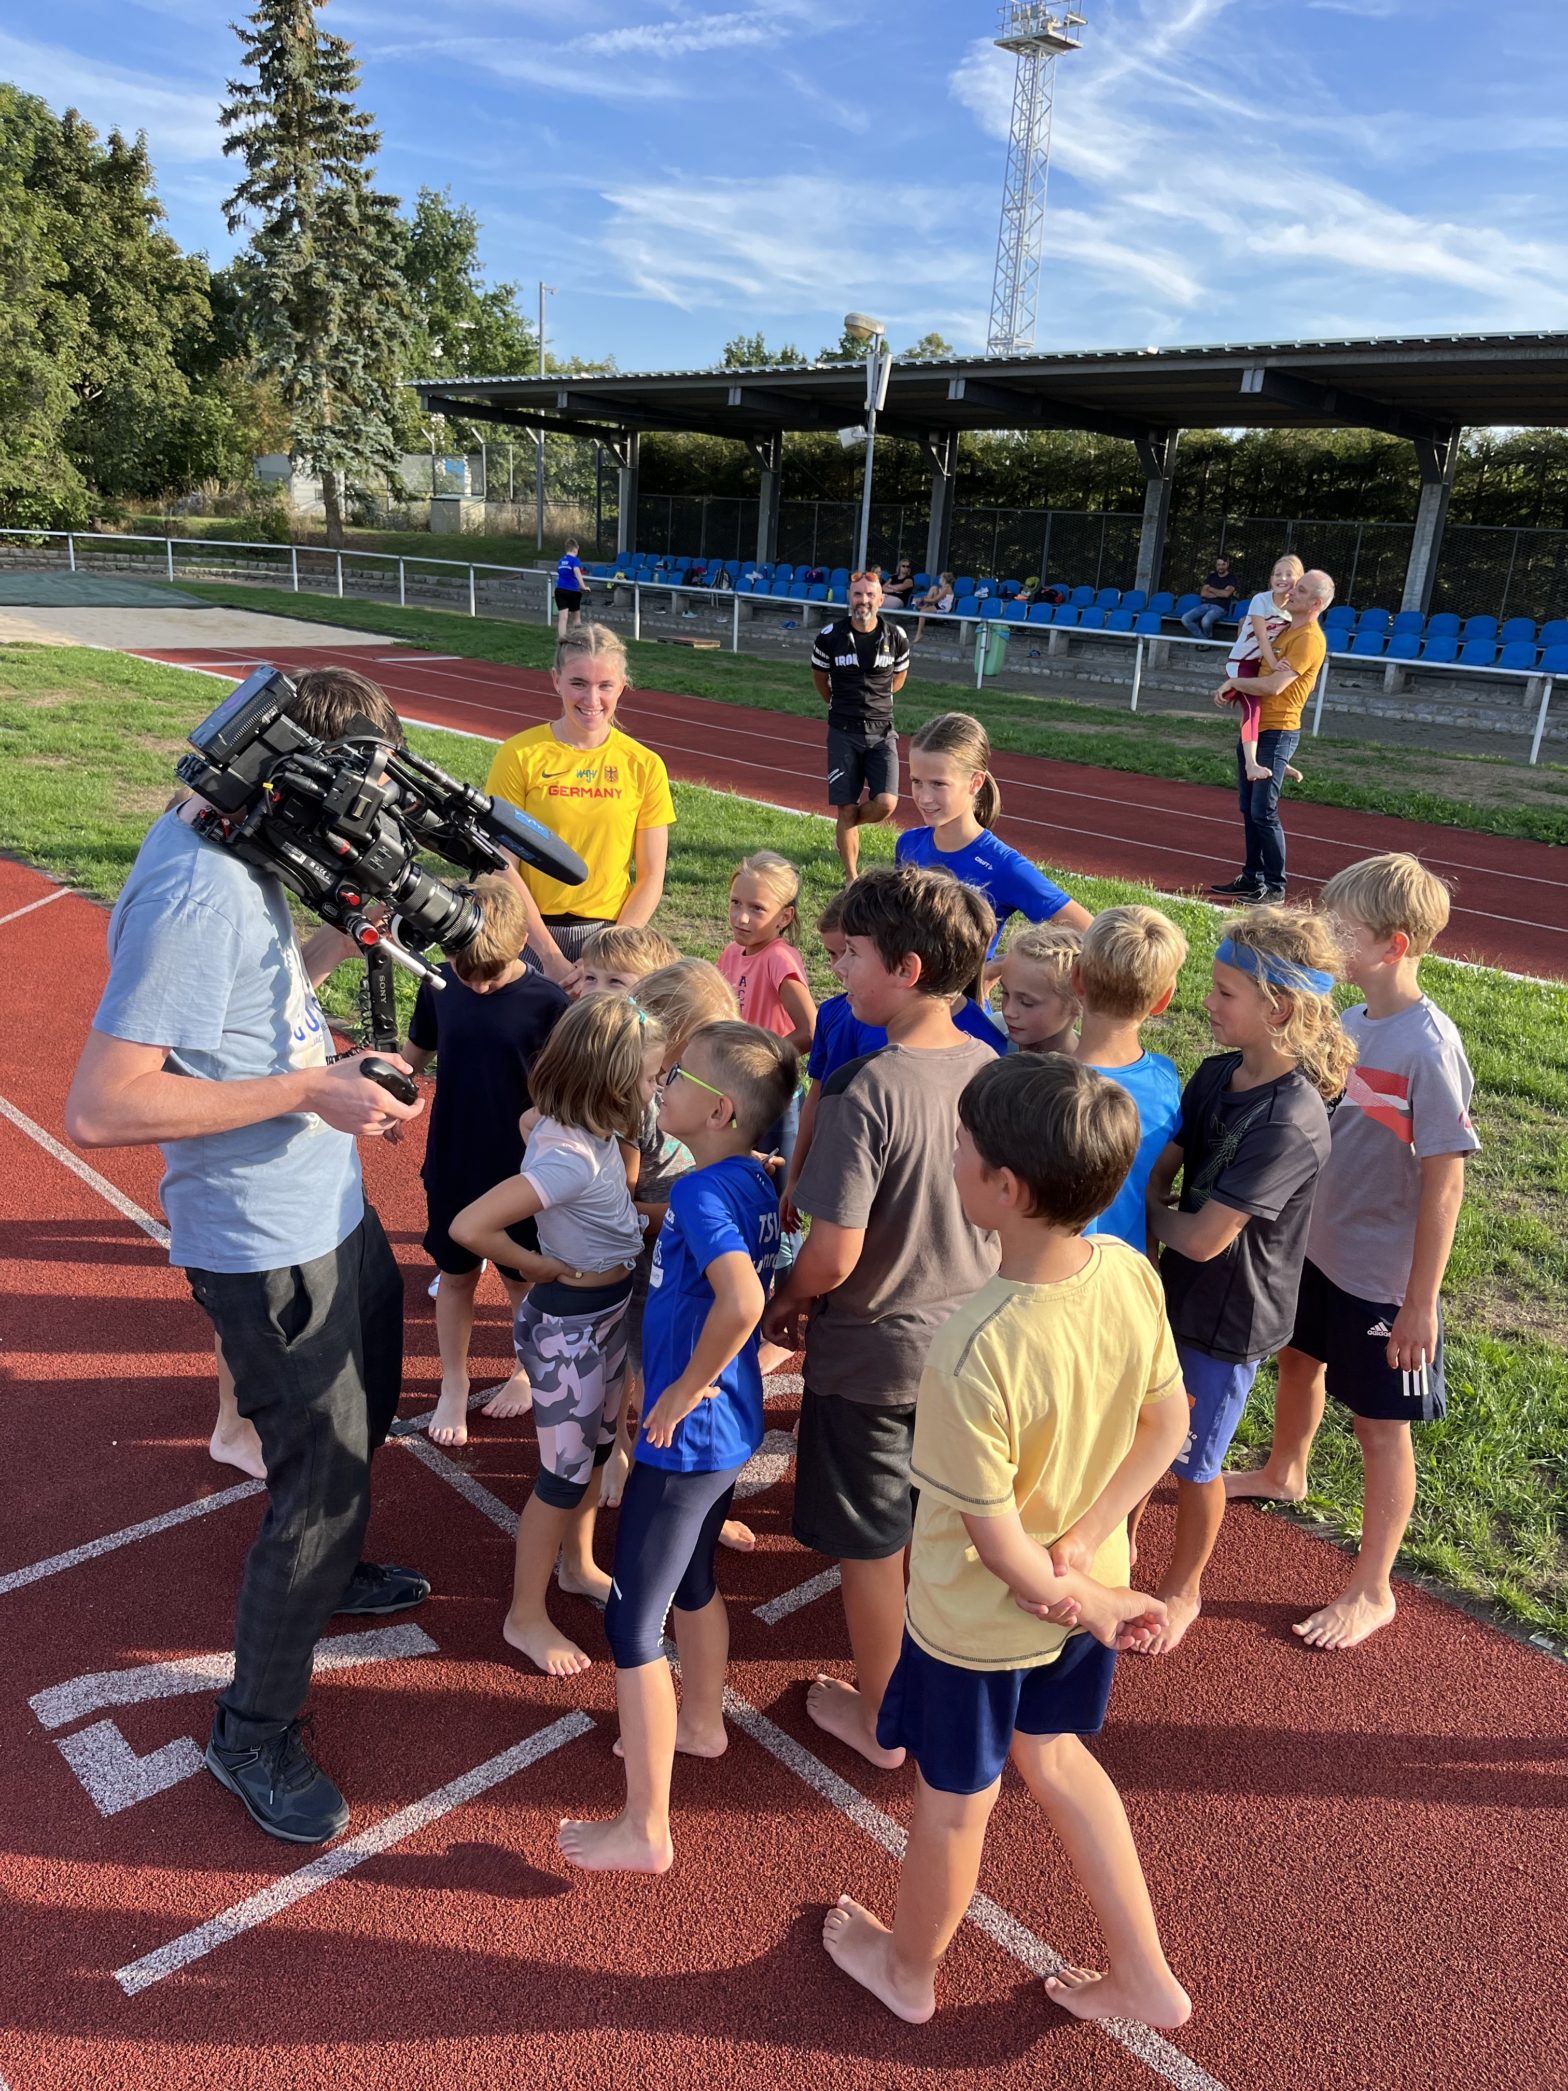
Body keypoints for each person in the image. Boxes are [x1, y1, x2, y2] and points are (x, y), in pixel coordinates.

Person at [64, 665, 428, 1846]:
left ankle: (346, 1563)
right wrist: (314, 1089)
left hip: (323, 1206)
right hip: (264, 1241)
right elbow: (104, 1108)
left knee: (367, 1410)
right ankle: (253, 1729)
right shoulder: (200, 890)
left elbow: (251, 1004)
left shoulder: (240, 851)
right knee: (314, 1481)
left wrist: (335, 948)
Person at [822, 1053, 1191, 2031]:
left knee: (952, 1806)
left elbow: (997, 1552)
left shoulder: (974, 1345)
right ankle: (1142, 1973)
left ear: (1003, 1190)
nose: (951, 1158)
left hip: (977, 1631)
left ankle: (905, 1971)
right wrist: (1091, 1549)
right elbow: (1167, 1429)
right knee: (1060, 1760)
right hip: (1078, 1595)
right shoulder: (1126, 1272)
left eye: (961, 1149)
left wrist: (1079, 1586)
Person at [762, 865, 999, 1769]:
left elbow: (833, 1254)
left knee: (872, 1545)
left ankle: (881, 1717)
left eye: (851, 956)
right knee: (942, 1526)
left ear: (904, 967)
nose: (841, 975)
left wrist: (788, 1301)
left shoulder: (867, 1087)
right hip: (969, 1345)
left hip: (874, 1358)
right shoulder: (986, 1065)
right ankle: (945, 1674)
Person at [557, 1022, 798, 1875]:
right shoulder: (742, 1181)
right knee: (693, 1583)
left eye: (678, 1079)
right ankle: (701, 1721)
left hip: (688, 1435)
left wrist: (678, 1391)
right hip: (726, 1429)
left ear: (721, 1108)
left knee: (631, 1620)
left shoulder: (705, 1196)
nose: (662, 1085)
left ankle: (646, 1828)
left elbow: (737, 1304)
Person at [1228, 853, 1478, 1650]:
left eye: (1345, 929)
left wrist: (1419, 1301)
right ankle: (1284, 1470)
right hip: (1317, 1251)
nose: (1329, 937)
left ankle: (1374, 1588)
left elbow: (1444, 1186)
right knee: (1298, 1363)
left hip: (1380, 1277)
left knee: (1379, 1426)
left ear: (1394, 944)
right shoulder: (1352, 1020)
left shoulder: (1429, 1047)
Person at [1141, 906, 1354, 1653]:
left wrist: (1143, 1215)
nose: (1207, 1002)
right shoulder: (1213, 1074)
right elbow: (1168, 1162)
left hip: (1229, 1318)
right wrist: (1153, 1193)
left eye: (1224, 992)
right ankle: (1123, 1548)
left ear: (1279, 1010)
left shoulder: (1292, 1120)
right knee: (1139, 1435)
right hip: (1175, 1292)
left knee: (1194, 1463)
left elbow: (1201, 1237)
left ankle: (1183, 1588)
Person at [451, 994, 666, 1677]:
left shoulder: (577, 1129)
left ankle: (578, 1565)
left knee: (601, 1453)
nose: (659, 1088)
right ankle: (524, 1615)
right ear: (609, 1083)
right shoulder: (567, 1159)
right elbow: (469, 1227)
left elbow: (530, 1120)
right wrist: (534, 1261)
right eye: (653, 1077)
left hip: (601, 1318)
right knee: (561, 1476)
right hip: (569, 1329)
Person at [404, 875, 571, 1448]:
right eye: (463, 971)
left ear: (517, 946)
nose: (474, 986)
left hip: (524, 1172)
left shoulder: (548, 1003)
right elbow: (416, 1054)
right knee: (455, 1279)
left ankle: (522, 1370)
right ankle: (455, 1383)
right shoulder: (440, 984)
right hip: (453, 1158)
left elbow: (566, 1093)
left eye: (489, 975)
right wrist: (395, 1097)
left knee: (523, 1281)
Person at [485, 625, 676, 992]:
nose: (592, 698)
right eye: (578, 683)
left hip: (610, 939)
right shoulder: (520, 754)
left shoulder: (644, 764)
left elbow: (651, 876)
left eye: (605, 685)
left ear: (622, 685)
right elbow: (501, 864)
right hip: (529, 933)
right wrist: (550, 956)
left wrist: (605, 956)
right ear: (555, 680)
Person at [896, 714, 1092, 964]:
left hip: (966, 1003)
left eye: (938, 784)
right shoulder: (909, 844)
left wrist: (1002, 965)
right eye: (916, 781)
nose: (924, 797)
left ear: (975, 782)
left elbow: (1092, 934)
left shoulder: (1002, 865)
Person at [1209, 569, 1334, 906]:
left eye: (1302, 590)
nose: (1292, 591)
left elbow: (1273, 686)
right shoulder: (1285, 631)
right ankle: (1251, 878)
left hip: (1278, 730)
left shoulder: (1308, 638)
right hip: (1260, 727)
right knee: (1249, 810)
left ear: (1317, 603)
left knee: (1263, 811)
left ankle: (1275, 887)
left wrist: (1234, 684)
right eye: (1295, 586)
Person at [1073, 906, 1188, 1256]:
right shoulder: (1166, 1080)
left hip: (1053, 1277)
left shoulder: (1035, 1083)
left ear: (1076, 977)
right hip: (1130, 1269)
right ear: (1164, 999)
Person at [810, 571, 910, 880]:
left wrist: (876, 703)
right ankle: (852, 877)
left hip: (882, 732)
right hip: (843, 732)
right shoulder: (829, 637)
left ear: (881, 600)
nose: (863, 600)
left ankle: (847, 827)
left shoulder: (897, 637)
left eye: (869, 595)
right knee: (845, 806)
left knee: (886, 803)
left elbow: (898, 681)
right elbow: (820, 681)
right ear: (849, 598)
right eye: (857, 594)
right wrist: (839, 704)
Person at [718, 851, 817, 1056]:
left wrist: (762, 1059)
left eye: (757, 908)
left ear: (784, 917)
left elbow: (810, 1031)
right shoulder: (731, 952)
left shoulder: (779, 959)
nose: (741, 918)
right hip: (729, 1072)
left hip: (763, 1083)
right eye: (735, 902)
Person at [1219, 554, 1305, 784]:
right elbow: (1262, 638)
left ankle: (1277, 761)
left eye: (1288, 574)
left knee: (1267, 711)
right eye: (1277, 574)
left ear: (1298, 580)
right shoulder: (1261, 600)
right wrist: (1276, 664)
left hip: (1261, 665)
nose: (1282, 578)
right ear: (1270, 579)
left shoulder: (1294, 610)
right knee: (1253, 709)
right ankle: (1251, 765)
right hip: (1240, 664)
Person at [995, 922, 1082, 1054]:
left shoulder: (1088, 1072)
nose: (1007, 1011)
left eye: (1026, 1003)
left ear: (1077, 1001)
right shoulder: (992, 1032)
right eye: (1005, 993)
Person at [1179, 554, 1239, 639]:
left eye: (1223, 564)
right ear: (1216, 565)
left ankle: (1206, 640)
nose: (1220, 567)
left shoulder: (1231, 578)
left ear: (1227, 564)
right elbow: (1203, 593)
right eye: (1218, 565)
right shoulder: (1211, 576)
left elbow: (1226, 594)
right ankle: (1204, 639)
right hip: (1205, 605)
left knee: (1205, 621)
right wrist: (1220, 592)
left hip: (1220, 608)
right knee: (1185, 618)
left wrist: (1210, 588)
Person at [555, 537, 591, 639]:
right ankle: (577, 638)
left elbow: (560, 574)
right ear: (576, 548)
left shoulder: (561, 561)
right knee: (576, 617)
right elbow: (577, 572)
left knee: (563, 617)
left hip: (560, 590)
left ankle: (562, 639)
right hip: (572, 591)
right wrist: (583, 586)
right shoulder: (575, 560)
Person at [911, 572, 955, 644]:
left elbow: (935, 600)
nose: (939, 579)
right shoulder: (942, 587)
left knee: (922, 612)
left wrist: (923, 599)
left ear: (944, 579)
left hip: (943, 607)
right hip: (938, 604)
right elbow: (934, 599)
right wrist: (923, 599)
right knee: (934, 588)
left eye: (940, 578)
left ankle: (919, 633)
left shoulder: (947, 587)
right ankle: (922, 605)